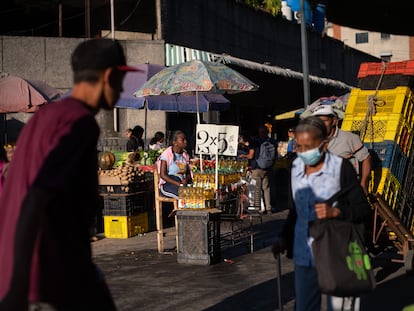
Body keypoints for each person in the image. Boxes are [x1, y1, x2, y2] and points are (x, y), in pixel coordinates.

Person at [0, 38, 138, 311]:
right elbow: (36, 197)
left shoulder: (45, 117)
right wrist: (19, 286)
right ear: (109, 75)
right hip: (48, 278)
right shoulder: (79, 123)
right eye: (121, 78)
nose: (123, 88)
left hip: (45, 269)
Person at [271, 116, 370, 311]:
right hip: (304, 254)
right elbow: (295, 211)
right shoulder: (296, 168)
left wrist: (336, 211)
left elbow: (362, 209)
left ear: (324, 145)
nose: (303, 153)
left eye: (308, 147)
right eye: (299, 147)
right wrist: (284, 237)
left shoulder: (341, 168)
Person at [312, 104, 371, 195]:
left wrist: (363, 184)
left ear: (334, 122)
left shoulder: (349, 138)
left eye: (324, 121)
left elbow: (366, 158)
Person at [244, 124, 277, 214]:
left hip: (257, 167)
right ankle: (268, 207)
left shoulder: (255, 142)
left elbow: (251, 156)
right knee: (266, 188)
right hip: (268, 167)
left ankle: (258, 208)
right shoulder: (273, 142)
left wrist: (243, 155)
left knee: (256, 189)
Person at [158, 130, 191, 199]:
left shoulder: (185, 156)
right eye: (183, 140)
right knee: (183, 195)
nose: (186, 142)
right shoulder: (166, 154)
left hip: (182, 183)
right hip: (169, 184)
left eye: (185, 139)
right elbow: (163, 175)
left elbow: (188, 173)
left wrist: (185, 179)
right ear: (175, 143)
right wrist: (179, 184)